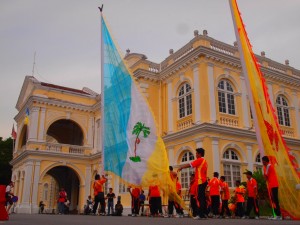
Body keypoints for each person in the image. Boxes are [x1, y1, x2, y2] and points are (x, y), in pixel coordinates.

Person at [178, 148, 208, 219]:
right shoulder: (205, 161)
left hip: (200, 181)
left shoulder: (200, 160)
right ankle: (203, 214)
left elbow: (190, 164)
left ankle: (200, 215)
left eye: (197, 153)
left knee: (199, 198)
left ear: (200, 154)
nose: (196, 154)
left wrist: (182, 167)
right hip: (203, 181)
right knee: (202, 198)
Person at [262, 156, 282, 220]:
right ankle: (276, 214)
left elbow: (265, 176)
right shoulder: (265, 167)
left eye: (263, 161)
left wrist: (264, 176)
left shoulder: (268, 166)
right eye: (262, 161)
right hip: (271, 185)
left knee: (275, 200)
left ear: (266, 161)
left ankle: (278, 215)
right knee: (273, 200)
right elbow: (266, 177)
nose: (262, 162)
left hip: (274, 184)